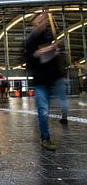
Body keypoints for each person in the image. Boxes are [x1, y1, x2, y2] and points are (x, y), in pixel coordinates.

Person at [25, 11, 69, 151]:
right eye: (36, 22)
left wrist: (55, 51)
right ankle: (45, 138)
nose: (39, 24)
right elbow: (34, 55)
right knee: (43, 111)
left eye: (42, 21)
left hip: (54, 78)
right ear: (33, 25)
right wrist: (50, 48)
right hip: (40, 81)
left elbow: (55, 54)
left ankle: (64, 116)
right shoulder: (30, 40)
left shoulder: (49, 36)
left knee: (63, 103)